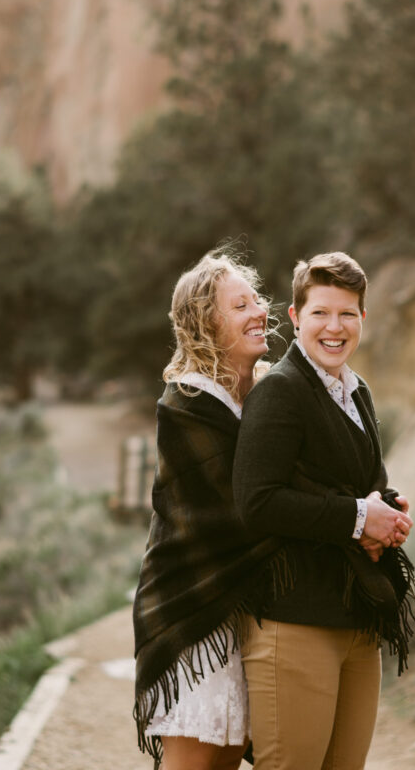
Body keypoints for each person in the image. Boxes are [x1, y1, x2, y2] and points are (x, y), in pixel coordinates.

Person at [233, 251, 415, 770]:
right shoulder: (280, 392)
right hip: (295, 622)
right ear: (295, 318)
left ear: (363, 317)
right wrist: (358, 518)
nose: (334, 327)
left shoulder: (356, 390)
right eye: (320, 313)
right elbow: (256, 501)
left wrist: (385, 508)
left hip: (355, 619)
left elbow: (358, 483)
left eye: (347, 313)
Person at [132, 250, 286, 770]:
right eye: (240, 304)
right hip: (192, 610)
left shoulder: (267, 397)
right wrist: (340, 521)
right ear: (206, 324)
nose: (259, 310)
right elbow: (243, 512)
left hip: (243, 615)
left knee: (222, 759)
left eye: (257, 299)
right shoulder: (185, 408)